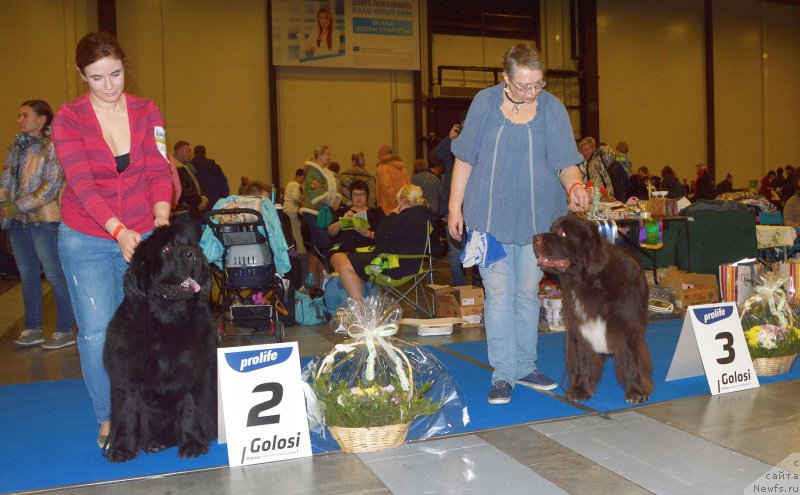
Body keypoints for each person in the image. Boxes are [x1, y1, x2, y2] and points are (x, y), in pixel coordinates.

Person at [448, 43, 588, 405]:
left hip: (538, 224)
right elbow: (464, 160)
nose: (532, 92)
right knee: (498, 294)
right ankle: (502, 374)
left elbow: (565, 162)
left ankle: (526, 366)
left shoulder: (553, 109)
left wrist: (575, 185)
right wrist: (454, 208)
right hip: (489, 220)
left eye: (538, 84)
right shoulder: (483, 103)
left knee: (527, 293)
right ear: (505, 79)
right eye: (524, 85)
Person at [52, 31, 173, 448]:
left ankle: (147, 414)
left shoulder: (147, 110)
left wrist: (161, 212)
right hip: (87, 235)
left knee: (148, 329)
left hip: (141, 232)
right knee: (98, 332)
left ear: (125, 66)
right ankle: (109, 419)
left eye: (116, 74)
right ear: (81, 75)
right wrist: (117, 230)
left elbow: (158, 168)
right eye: (97, 77)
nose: (109, 86)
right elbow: (82, 184)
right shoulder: (68, 119)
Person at [1, 100, 76, 350]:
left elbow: (51, 186)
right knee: (28, 276)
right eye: (19, 115)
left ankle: (65, 329)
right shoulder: (17, 147)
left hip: (45, 220)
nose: (20, 119)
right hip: (17, 222)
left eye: (25, 115)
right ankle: (32, 329)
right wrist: (4, 203)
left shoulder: (53, 146)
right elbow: (6, 177)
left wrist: (17, 206)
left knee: (55, 275)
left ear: (42, 119)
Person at [331, 184, 434, 300]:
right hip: (403, 262)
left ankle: (359, 309)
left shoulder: (406, 217)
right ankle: (361, 303)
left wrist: (393, 214)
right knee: (345, 262)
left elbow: (381, 233)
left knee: (345, 265)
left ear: (402, 200)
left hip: (395, 264)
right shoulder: (420, 216)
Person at [431, 118, 468, 286]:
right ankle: (460, 287)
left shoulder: (477, 144)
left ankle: (475, 287)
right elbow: (434, 156)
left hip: (473, 207)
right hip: (453, 208)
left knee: (476, 249)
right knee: (455, 251)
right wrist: (449, 138)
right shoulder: (451, 148)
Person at [327, 180, 384, 253]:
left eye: (362, 194)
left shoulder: (376, 213)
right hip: (344, 250)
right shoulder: (343, 211)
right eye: (355, 194)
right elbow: (330, 232)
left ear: (367, 196)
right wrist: (342, 222)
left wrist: (369, 233)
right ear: (351, 196)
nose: (359, 197)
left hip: (369, 249)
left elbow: (385, 234)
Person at [302, 145, 341, 250]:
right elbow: (317, 192)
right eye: (327, 154)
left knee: (322, 240)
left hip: (322, 212)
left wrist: (335, 201)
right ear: (319, 155)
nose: (330, 157)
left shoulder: (325, 172)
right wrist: (331, 203)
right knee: (323, 241)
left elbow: (331, 191)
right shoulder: (313, 172)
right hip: (312, 212)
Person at [170, 140, 208, 235]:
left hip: (186, 213)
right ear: (178, 152)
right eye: (188, 151)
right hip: (185, 214)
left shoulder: (183, 167)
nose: (191, 154)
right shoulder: (178, 169)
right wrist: (200, 201)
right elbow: (184, 192)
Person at [375, 144, 410, 214]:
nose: (377, 156)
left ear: (383, 153)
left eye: (378, 153)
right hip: (404, 207)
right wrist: (403, 204)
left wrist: (396, 204)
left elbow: (387, 188)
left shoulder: (382, 167)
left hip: (388, 209)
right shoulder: (402, 167)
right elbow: (409, 187)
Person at [283, 167, 306, 254]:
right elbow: (294, 197)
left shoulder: (289, 183)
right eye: (303, 178)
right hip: (292, 210)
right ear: (298, 176)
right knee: (297, 232)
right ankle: (301, 252)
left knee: (290, 232)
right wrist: (302, 202)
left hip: (286, 209)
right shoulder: (296, 185)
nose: (303, 180)